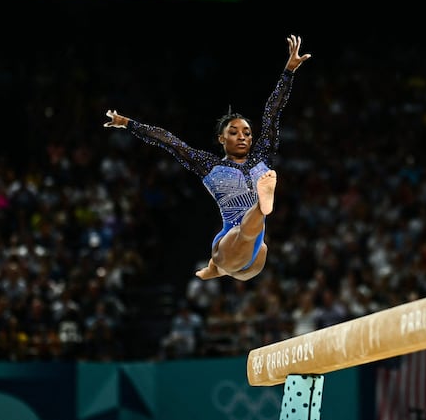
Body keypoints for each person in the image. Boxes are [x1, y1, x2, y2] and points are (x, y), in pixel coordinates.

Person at [103, 34, 311, 281]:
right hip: (229, 241)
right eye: (233, 132)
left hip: (255, 258)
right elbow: (169, 141)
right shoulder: (210, 166)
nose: (242, 136)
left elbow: (272, 112)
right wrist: (127, 123)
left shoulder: (263, 157)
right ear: (222, 139)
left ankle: (216, 268)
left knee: (254, 247)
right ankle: (254, 215)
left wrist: (288, 71)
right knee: (242, 233)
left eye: (246, 132)